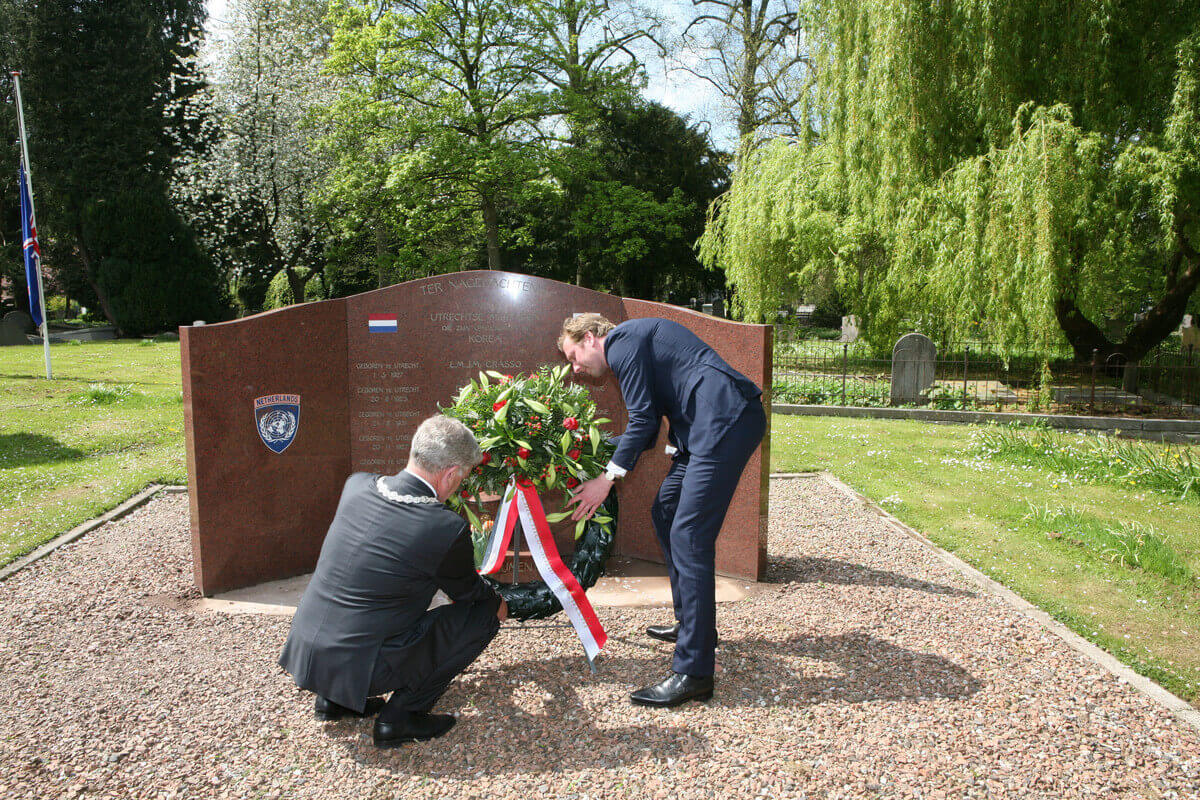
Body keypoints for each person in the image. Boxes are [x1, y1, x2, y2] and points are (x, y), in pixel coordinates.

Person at [559, 314, 766, 708]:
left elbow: (641, 420)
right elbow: (653, 422)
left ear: (589, 338)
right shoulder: (633, 342)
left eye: (574, 356)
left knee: (690, 537)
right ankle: (692, 624)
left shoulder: (621, 342)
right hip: (703, 430)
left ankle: (694, 671)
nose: (576, 368)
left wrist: (607, 480)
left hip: (724, 421)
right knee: (667, 510)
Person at [278, 415, 506, 747]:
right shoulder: (442, 527)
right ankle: (401, 717)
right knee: (483, 616)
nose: (460, 484)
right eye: (463, 477)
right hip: (366, 666)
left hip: (307, 652)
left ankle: (336, 700)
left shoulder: (357, 485)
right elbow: (469, 594)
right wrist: (498, 601)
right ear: (451, 474)